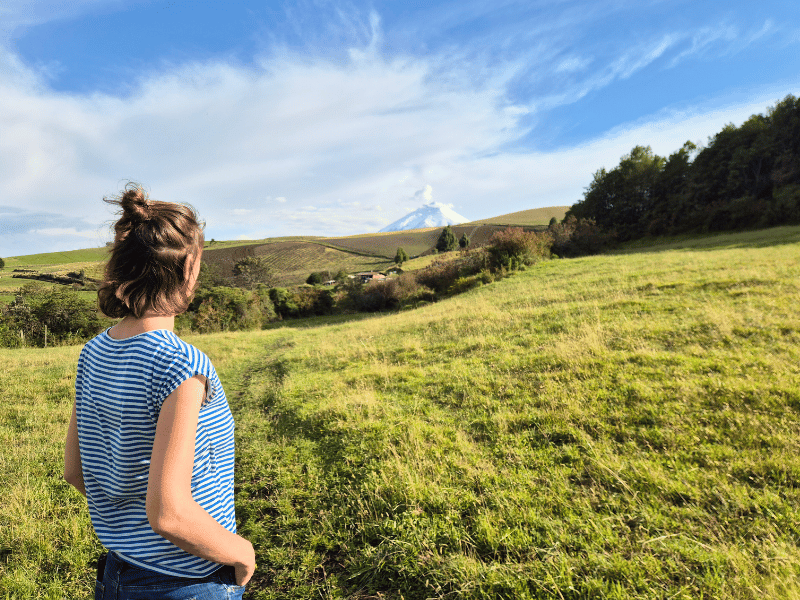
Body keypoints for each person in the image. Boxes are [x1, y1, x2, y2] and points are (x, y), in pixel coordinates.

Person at [63, 184, 256, 599]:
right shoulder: (182, 366)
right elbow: (168, 514)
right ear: (189, 268)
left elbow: (75, 471)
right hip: (188, 582)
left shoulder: (92, 353)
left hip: (117, 575)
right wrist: (240, 552)